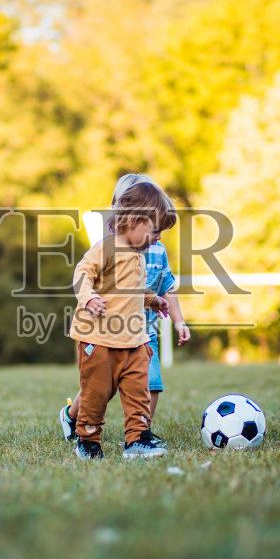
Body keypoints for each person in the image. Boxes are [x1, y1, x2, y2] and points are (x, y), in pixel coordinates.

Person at [59, 175, 186, 447]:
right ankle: (84, 432)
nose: (158, 237)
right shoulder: (107, 248)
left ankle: (139, 437)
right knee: (99, 391)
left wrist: (152, 300)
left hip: (138, 335)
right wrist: (88, 298)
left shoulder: (142, 252)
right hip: (101, 336)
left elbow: (134, 287)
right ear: (132, 219)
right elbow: (82, 273)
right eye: (156, 229)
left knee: (143, 385)